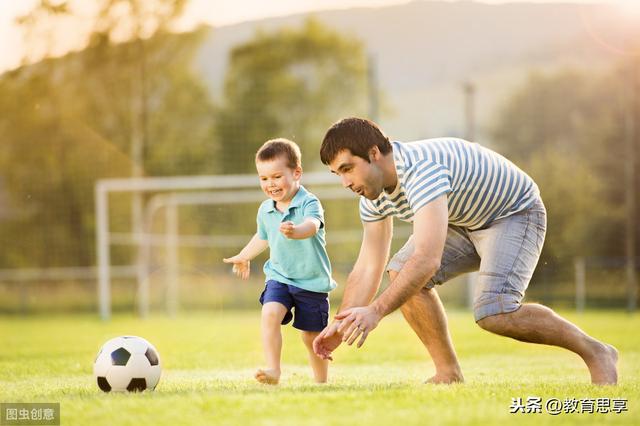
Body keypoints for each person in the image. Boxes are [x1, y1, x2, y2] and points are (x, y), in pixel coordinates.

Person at [312, 117, 618, 385]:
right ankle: (448, 373)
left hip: (513, 213)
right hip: (463, 221)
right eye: (338, 174)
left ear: (374, 154)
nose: (344, 182)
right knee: (399, 271)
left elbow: (427, 260)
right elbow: (368, 265)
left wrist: (376, 311)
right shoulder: (371, 195)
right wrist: (342, 323)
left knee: (494, 312)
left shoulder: (421, 172)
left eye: (347, 169)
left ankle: (596, 351)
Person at [224, 138, 336, 385]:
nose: (270, 184)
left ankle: (321, 381)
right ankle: (273, 370)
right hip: (280, 276)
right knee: (270, 313)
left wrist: (297, 231)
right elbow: (263, 236)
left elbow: (312, 225)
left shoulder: (309, 202)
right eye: (263, 179)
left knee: (311, 337)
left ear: (297, 173)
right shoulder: (265, 209)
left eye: (276, 176)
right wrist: (244, 255)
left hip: (311, 282)